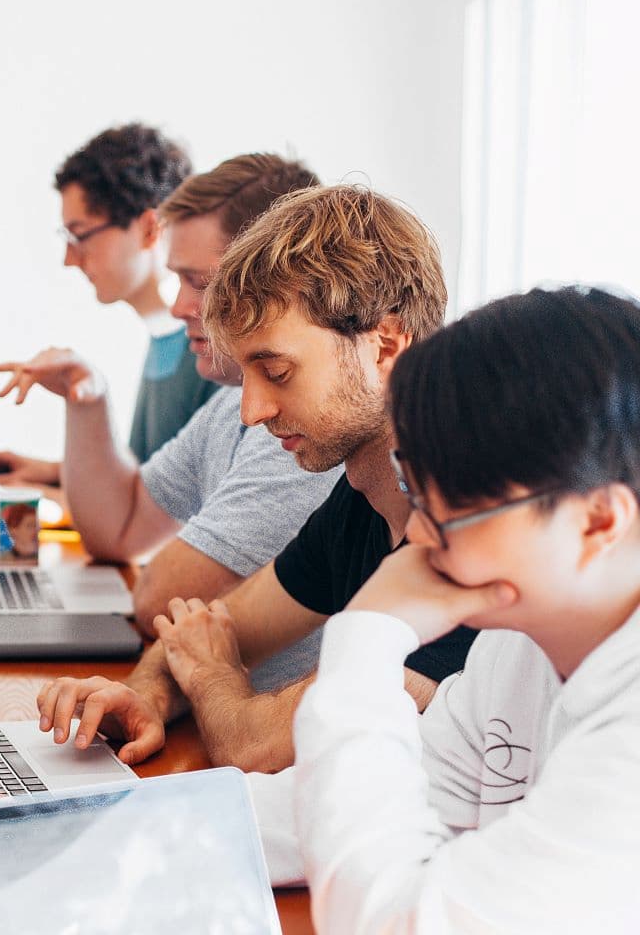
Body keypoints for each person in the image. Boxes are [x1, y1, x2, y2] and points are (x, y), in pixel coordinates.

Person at [36, 185, 476, 772]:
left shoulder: (469, 532)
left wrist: (216, 679)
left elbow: (257, 744)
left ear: (385, 347)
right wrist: (146, 695)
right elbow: (210, 631)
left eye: (276, 372)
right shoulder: (362, 499)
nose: (252, 411)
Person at [248, 286, 640, 932]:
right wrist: (96, 817)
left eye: (448, 509)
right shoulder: (517, 645)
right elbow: (366, 803)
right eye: (414, 492)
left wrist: (366, 636)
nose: (420, 539)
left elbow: (391, 922)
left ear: (598, 521)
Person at [0, 155, 340, 638]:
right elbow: (118, 531)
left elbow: (159, 602)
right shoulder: (227, 405)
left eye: (201, 283)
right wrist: (88, 402)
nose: (177, 306)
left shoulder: (301, 430)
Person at [0, 121, 215, 500]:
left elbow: (181, 510)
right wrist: (50, 473)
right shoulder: (164, 338)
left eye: (80, 236)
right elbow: (149, 474)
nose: (69, 259)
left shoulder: (209, 353)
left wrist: (46, 496)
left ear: (149, 229)